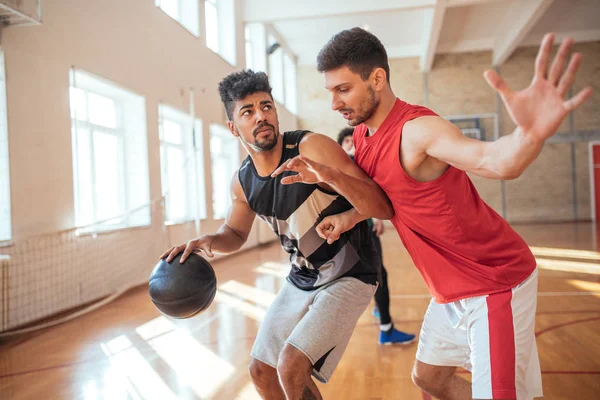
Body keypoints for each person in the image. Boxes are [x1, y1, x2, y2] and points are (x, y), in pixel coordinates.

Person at [274, 28, 592, 400]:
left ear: (377, 78)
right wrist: (350, 218)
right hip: (448, 289)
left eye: (343, 89)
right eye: (330, 92)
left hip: (492, 281)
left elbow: (495, 161)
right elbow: (388, 198)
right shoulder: (364, 135)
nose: (334, 104)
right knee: (430, 379)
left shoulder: (418, 132)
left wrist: (530, 135)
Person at [160, 69, 393, 400]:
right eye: (248, 111)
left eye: (266, 106)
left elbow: (380, 204)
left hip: (351, 272)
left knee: (290, 364)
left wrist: (329, 178)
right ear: (232, 127)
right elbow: (235, 233)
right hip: (303, 276)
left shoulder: (312, 146)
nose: (261, 116)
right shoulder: (242, 181)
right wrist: (209, 241)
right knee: (262, 370)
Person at [337, 126, 415, 345]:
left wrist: (377, 219)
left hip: (366, 226)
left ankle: (381, 312)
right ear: (340, 147)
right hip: (352, 233)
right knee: (376, 276)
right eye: (346, 141)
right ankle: (387, 330)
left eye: (354, 141)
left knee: (379, 275)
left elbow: (371, 195)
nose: (351, 144)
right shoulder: (342, 167)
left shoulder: (361, 168)